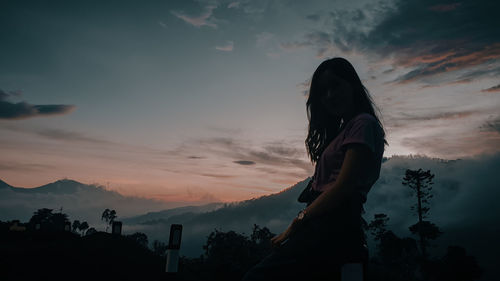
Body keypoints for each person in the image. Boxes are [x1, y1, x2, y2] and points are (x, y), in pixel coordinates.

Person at [241, 57, 388, 281]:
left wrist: (296, 223)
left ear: (353, 85)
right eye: (323, 91)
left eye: (336, 85)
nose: (329, 95)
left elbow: (343, 187)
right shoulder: (345, 129)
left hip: (331, 229)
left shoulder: (363, 123)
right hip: (329, 229)